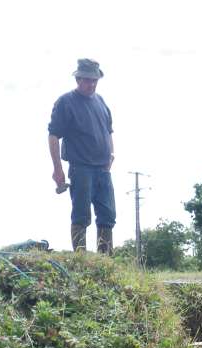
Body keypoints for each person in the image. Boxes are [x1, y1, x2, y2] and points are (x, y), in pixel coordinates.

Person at [48, 58, 116, 254]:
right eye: (87, 80)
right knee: (81, 215)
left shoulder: (101, 101)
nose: (91, 84)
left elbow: (109, 130)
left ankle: (105, 262)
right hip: (81, 168)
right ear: (78, 79)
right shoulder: (65, 102)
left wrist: (111, 153)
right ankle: (82, 261)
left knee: (107, 215)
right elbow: (53, 135)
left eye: (95, 80)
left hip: (103, 169)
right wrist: (57, 168)